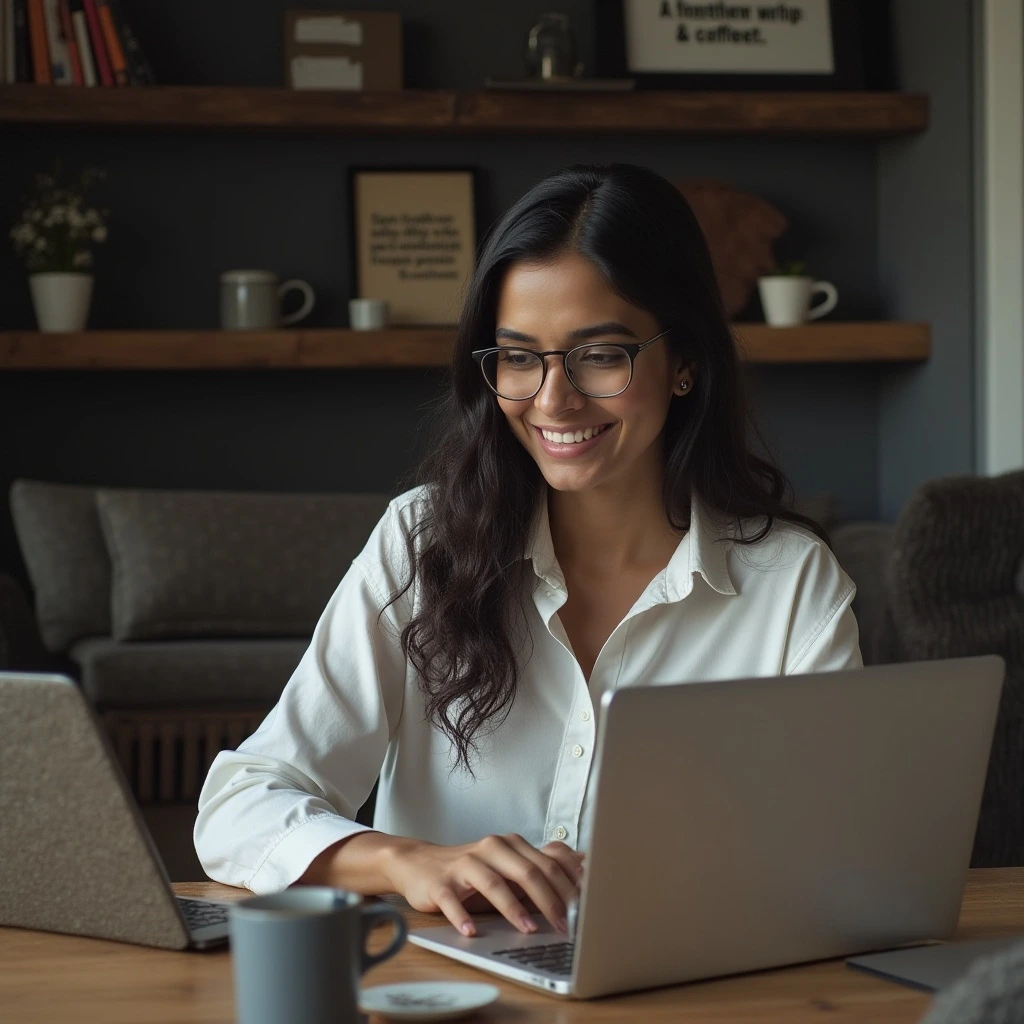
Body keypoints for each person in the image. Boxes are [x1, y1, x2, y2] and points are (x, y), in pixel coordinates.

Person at [195, 162, 861, 940]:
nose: (553, 400)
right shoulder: (422, 544)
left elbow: (835, 861)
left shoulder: (792, 588)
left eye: (600, 354)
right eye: (518, 357)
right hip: (447, 993)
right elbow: (240, 805)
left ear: (685, 363)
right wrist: (407, 861)